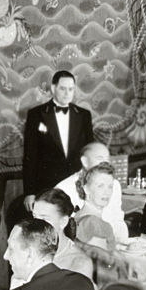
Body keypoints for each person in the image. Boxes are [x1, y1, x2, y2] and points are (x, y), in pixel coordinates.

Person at [22, 70, 95, 212]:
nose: (67, 93)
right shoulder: (36, 115)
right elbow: (29, 156)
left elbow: (90, 152)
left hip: (76, 187)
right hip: (47, 187)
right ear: (53, 88)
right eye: (63, 88)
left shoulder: (84, 115)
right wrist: (29, 192)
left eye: (71, 89)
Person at [7, 187, 92, 290]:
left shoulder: (79, 262)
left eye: (44, 218)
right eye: (35, 217)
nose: (37, 224)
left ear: (63, 222)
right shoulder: (27, 251)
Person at [53, 141, 129, 241]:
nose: (105, 163)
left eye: (107, 159)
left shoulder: (114, 184)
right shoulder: (63, 189)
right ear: (85, 161)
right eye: (100, 158)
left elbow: (118, 220)